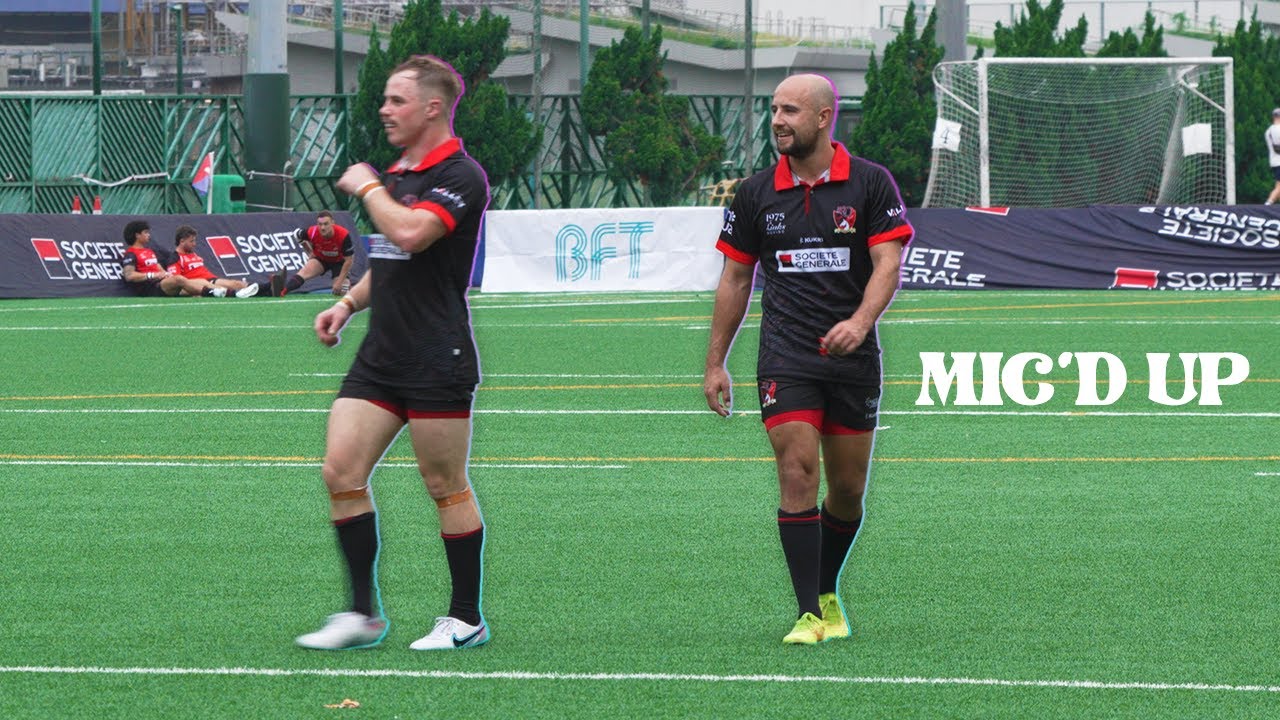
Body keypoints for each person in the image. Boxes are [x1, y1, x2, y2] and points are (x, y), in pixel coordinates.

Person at [702, 73, 913, 645]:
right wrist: (715, 361)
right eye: (774, 109)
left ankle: (825, 590)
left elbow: (887, 263)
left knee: (847, 490)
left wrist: (860, 322)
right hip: (786, 354)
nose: (777, 120)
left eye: (790, 110)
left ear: (823, 118)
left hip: (853, 357)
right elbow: (736, 277)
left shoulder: (869, 183)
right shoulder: (754, 193)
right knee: (797, 471)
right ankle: (808, 615)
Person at [294, 55, 492, 652]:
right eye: (384, 99)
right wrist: (348, 304)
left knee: (444, 484)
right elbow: (390, 258)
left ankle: (465, 619)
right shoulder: (398, 173)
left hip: (438, 353)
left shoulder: (461, 175)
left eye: (396, 100)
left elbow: (411, 233)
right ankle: (363, 616)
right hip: (382, 354)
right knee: (340, 471)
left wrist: (371, 187)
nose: (384, 109)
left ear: (433, 107)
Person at [120, 220, 231, 298]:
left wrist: (164, 274)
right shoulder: (130, 254)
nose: (149, 235)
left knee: (201, 281)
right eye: (145, 233)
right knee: (179, 279)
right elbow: (129, 276)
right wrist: (152, 275)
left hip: (162, 283)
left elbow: (160, 270)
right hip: (150, 288)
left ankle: (230, 293)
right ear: (137, 235)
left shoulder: (149, 251)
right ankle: (211, 292)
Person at [271, 210, 355, 296]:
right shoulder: (312, 231)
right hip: (321, 260)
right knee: (303, 273)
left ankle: (348, 287)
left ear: (333, 223)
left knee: (341, 291)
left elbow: (349, 261)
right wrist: (309, 252)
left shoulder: (343, 235)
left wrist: (339, 282)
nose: (322, 228)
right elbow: (296, 235)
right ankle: (283, 291)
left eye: (326, 224)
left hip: (339, 262)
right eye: (320, 224)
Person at [166, 225, 260, 298]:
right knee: (221, 288)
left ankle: (265, 289)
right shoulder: (175, 257)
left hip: (210, 279)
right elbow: (176, 281)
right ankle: (236, 294)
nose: (194, 244)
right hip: (198, 283)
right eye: (192, 241)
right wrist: (193, 290)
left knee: (236, 283)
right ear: (182, 241)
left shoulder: (193, 254)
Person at [1266, 108, 1280, 206]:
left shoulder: (1268, 131)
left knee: (1278, 186)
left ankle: (1269, 204)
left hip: (1274, 161)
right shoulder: (1278, 129)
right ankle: (1268, 204)